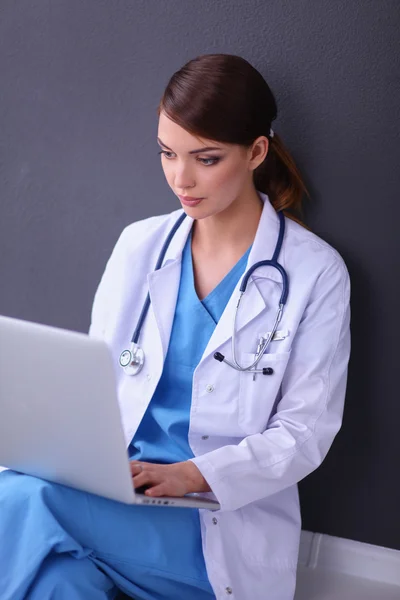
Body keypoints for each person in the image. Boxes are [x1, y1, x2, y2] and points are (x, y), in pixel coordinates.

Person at [0, 53, 351, 600]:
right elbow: (92, 386)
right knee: (58, 583)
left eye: (206, 159)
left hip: (206, 522)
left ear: (257, 151)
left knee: (23, 500)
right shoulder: (139, 245)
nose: (181, 179)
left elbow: (305, 434)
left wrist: (193, 476)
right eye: (168, 153)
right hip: (112, 494)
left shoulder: (314, 272)